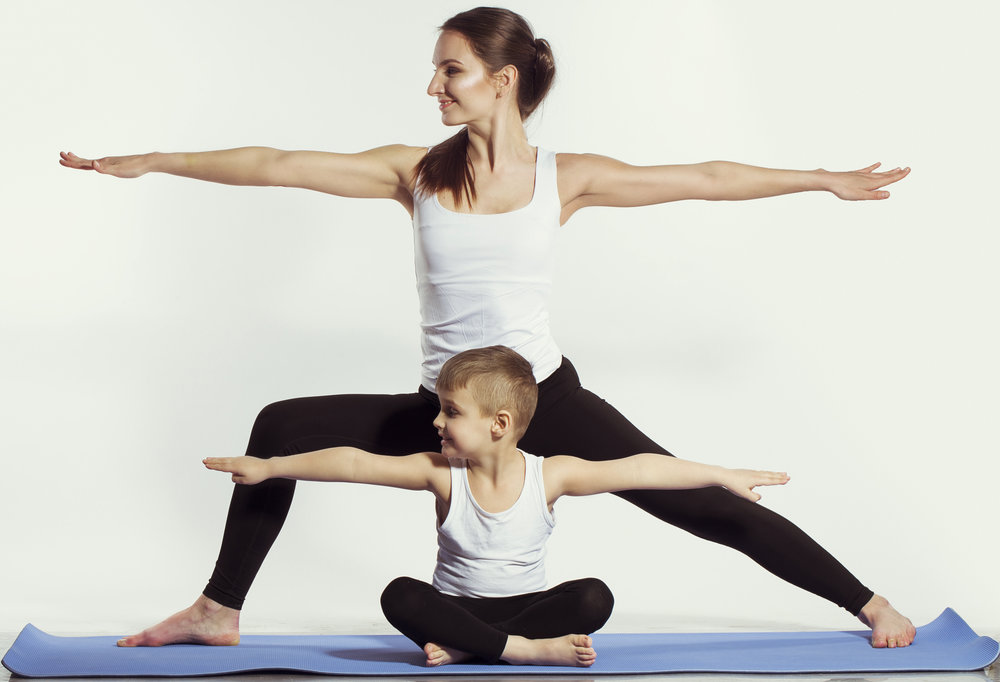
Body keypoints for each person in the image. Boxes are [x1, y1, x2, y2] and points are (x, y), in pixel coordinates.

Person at [61, 5, 916, 651]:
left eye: (451, 71)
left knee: (693, 500)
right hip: (453, 407)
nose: (434, 87)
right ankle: (219, 608)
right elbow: (277, 164)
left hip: (543, 396)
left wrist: (818, 178)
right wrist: (156, 161)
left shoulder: (564, 178)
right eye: (436, 72)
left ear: (502, 81)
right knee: (281, 428)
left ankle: (867, 601)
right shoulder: (416, 174)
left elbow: (701, 176)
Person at [203, 346, 790, 667]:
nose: (434, 421)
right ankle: (519, 653)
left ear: (500, 424)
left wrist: (720, 473)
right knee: (400, 596)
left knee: (594, 597)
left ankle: (475, 648)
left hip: (517, 611)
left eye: (450, 412)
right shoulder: (440, 475)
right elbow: (356, 462)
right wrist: (272, 466)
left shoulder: (551, 474)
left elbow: (639, 468)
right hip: (453, 609)